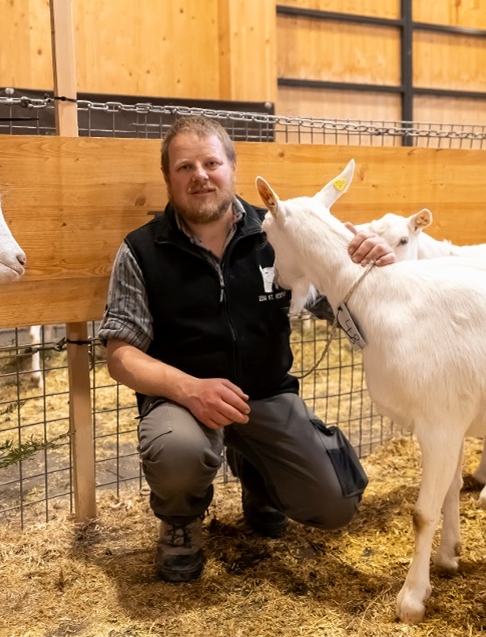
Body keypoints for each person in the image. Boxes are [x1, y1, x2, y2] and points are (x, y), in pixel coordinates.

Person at [97, 115, 394, 583]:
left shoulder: (279, 237)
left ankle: (261, 477)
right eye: (185, 166)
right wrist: (191, 389)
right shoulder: (141, 251)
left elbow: (344, 310)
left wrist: (367, 266)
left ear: (233, 169)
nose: (200, 175)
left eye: (211, 162)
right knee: (178, 452)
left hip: (267, 395)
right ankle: (180, 524)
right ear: (168, 179)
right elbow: (120, 355)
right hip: (182, 402)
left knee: (336, 506)